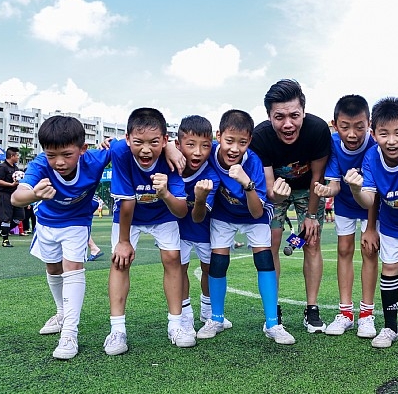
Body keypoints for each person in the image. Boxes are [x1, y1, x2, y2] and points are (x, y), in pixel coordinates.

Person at [12, 115, 111, 359]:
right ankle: (61, 313)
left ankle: (69, 333)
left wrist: (171, 148)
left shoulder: (95, 159)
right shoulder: (39, 165)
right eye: (51, 155)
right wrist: (34, 195)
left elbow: (132, 143)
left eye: (67, 154)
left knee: (73, 268)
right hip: (47, 223)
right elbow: (16, 197)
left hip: (77, 222)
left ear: (82, 149)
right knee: (53, 268)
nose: (59, 162)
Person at [196, 109, 296, 344]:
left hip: (253, 214)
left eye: (242, 143)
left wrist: (247, 183)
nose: (234, 148)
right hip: (223, 214)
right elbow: (182, 147)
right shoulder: (209, 153)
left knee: (264, 260)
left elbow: (257, 212)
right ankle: (216, 318)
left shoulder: (254, 163)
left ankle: (272, 323)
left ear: (249, 141)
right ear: (218, 136)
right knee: (218, 262)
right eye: (229, 141)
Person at [104, 108, 190, 356]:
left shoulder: (173, 159)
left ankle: (176, 325)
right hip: (128, 216)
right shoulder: (120, 151)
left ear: (164, 140)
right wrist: (123, 242)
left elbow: (181, 211)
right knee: (119, 261)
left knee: (173, 258)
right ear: (127, 139)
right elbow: (127, 202)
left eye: (154, 142)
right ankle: (117, 330)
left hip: (163, 213)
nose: (145, 149)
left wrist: (165, 193)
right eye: (138, 142)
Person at [345, 97, 398, 349]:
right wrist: (356, 189)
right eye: (384, 134)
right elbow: (369, 199)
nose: (391, 141)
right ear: (374, 134)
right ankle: (390, 327)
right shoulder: (371, 156)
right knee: (389, 268)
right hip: (391, 222)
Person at [250, 79, 331, 332]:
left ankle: (312, 309)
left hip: (309, 189)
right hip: (276, 190)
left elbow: (318, 177)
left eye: (294, 115)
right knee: (271, 243)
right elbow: (269, 189)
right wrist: (275, 196)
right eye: (279, 117)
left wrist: (311, 216)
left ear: (303, 112)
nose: (288, 124)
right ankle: (273, 309)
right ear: (269, 116)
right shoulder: (260, 136)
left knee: (312, 241)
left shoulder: (318, 130)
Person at [312, 95, 379, 338]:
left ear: (369, 124)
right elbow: (335, 185)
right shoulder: (332, 143)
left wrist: (371, 227)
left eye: (359, 127)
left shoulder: (375, 144)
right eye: (345, 127)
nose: (352, 134)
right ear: (335, 124)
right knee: (344, 250)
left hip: (372, 204)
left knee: (370, 251)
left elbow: (376, 191)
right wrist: (325, 191)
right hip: (345, 204)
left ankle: (367, 314)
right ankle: (346, 313)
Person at [174, 115, 233, 331]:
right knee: (179, 269)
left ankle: (208, 310)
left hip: (205, 229)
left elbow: (198, 216)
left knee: (209, 269)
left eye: (205, 146)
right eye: (190, 145)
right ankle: (185, 314)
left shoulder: (210, 175)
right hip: (176, 230)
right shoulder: (169, 163)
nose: (198, 152)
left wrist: (200, 199)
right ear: (178, 144)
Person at [0, 147, 24, 248]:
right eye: (17, 155)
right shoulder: (3, 167)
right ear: (12, 156)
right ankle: (5, 240)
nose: (18, 157)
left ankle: (3, 230)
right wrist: (11, 184)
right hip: (5, 194)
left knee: (20, 216)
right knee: (6, 218)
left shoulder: (15, 168)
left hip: (15, 194)